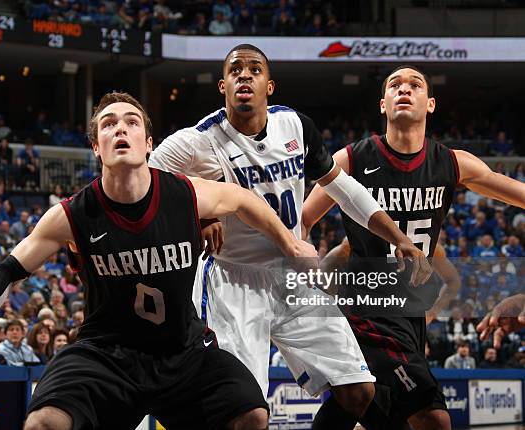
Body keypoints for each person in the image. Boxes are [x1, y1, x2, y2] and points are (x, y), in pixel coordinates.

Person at [0, 91, 319, 430]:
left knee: (253, 415)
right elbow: (8, 268)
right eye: (109, 124)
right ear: (96, 148)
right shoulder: (73, 214)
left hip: (184, 351)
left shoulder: (186, 194)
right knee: (44, 422)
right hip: (106, 354)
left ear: (149, 143)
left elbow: (243, 199)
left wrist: (290, 242)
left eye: (132, 122)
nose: (120, 128)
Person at [149, 44, 431, 426]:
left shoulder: (294, 126)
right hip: (235, 282)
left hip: (293, 275)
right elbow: (144, 186)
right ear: (223, 86)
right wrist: (198, 216)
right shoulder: (197, 141)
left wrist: (398, 236)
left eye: (254, 69)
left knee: (358, 390)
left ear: (270, 85)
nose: (244, 75)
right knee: (246, 413)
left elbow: (343, 189)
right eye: (235, 70)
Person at [302, 65, 525, 430]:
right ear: (383, 103)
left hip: (411, 312)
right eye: (395, 85)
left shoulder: (452, 163)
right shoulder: (351, 159)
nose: (404, 89)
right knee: (432, 418)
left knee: (375, 413)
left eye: (415, 85)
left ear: (431, 104)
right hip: (367, 308)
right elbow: (304, 220)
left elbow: (514, 192)